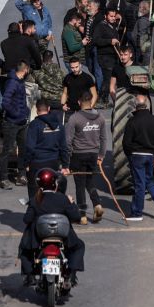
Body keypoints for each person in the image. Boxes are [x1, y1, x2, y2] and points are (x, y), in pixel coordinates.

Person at [18, 167, 85, 282]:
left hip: (40, 236)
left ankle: (30, 275)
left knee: (24, 248)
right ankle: (72, 274)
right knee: (79, 246)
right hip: (62, 236)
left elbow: (26, 219)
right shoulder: (63, 198)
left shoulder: (35, 200)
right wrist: (71, 203)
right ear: (54, 183)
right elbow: (76, 217)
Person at [66, 92, 110, 224]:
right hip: (93, 155)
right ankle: (97, 204)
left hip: (78, 154)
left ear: (79, 102)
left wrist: (67, 158)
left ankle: (82, 215)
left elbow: (68, 141)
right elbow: (104, 138)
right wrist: (101, 155)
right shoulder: (100, 118)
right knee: (89, 181)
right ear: (91, 102)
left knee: (79, 185)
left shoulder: (74, 118)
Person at [122, 93, 154, 221]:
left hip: (137, 156)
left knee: (139, 184)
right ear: (146, 105)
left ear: (135, 106)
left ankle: (137, 213)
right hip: (151, 156)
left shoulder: (132, 121)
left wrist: (130, 155)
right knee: (149, 182)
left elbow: (126, 143)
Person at [24, 98, 70, 201]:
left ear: (36, 110)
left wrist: (26, 163)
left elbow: (30, 147)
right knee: (53, 191)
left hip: (37, 163)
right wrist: (65, 165)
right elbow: (63, 147)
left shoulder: (34, 125)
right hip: (53, 163)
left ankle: (33, 212)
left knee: (34, 192)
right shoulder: (59, 125)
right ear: (49, 109)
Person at [0, 61, 31, 190]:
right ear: (25, 70)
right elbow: (5, 102)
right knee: (7, 150)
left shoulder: (19, 81)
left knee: (23, 149)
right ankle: (4, 178)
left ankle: (21, 175)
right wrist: (17, 114)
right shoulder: (13, 83)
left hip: (22, 122)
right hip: (11, 123)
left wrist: (25, 112)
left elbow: (21, 100)